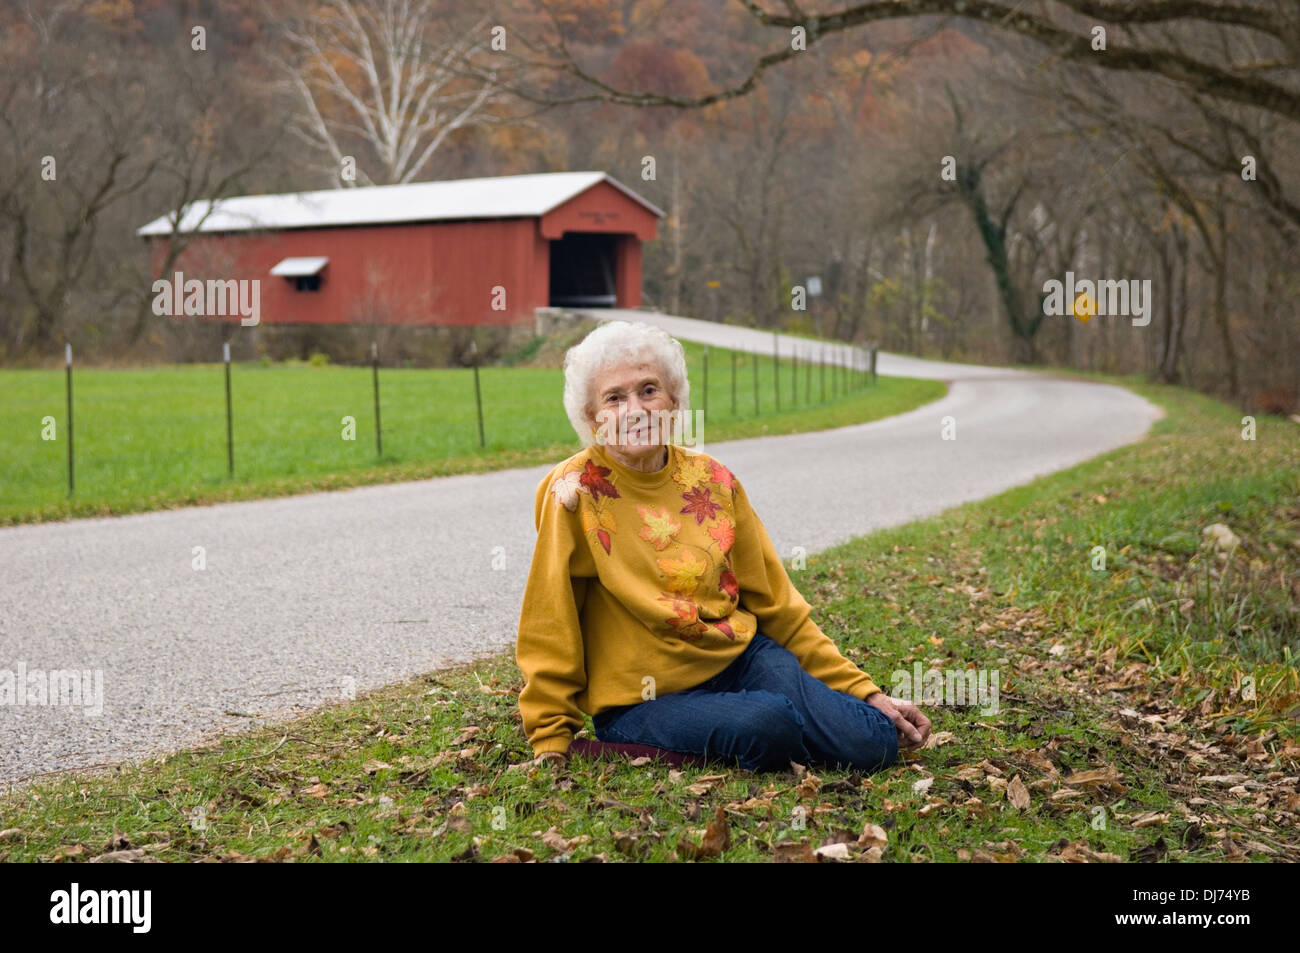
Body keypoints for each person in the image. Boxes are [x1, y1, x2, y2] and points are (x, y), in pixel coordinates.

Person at [514, 320, 930, 772]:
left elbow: (778, 605)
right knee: (768, 724)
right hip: (643, 698)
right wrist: (551, 737)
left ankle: (783, 726)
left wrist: (868, 693)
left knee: (874, 742)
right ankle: (644, 744)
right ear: (593, 417)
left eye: (649, 390)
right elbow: (550, 617)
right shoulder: (573, 492)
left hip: (741, 659)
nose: (635, 409)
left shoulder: (713, 479)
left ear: (674, 401)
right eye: (614, 398)